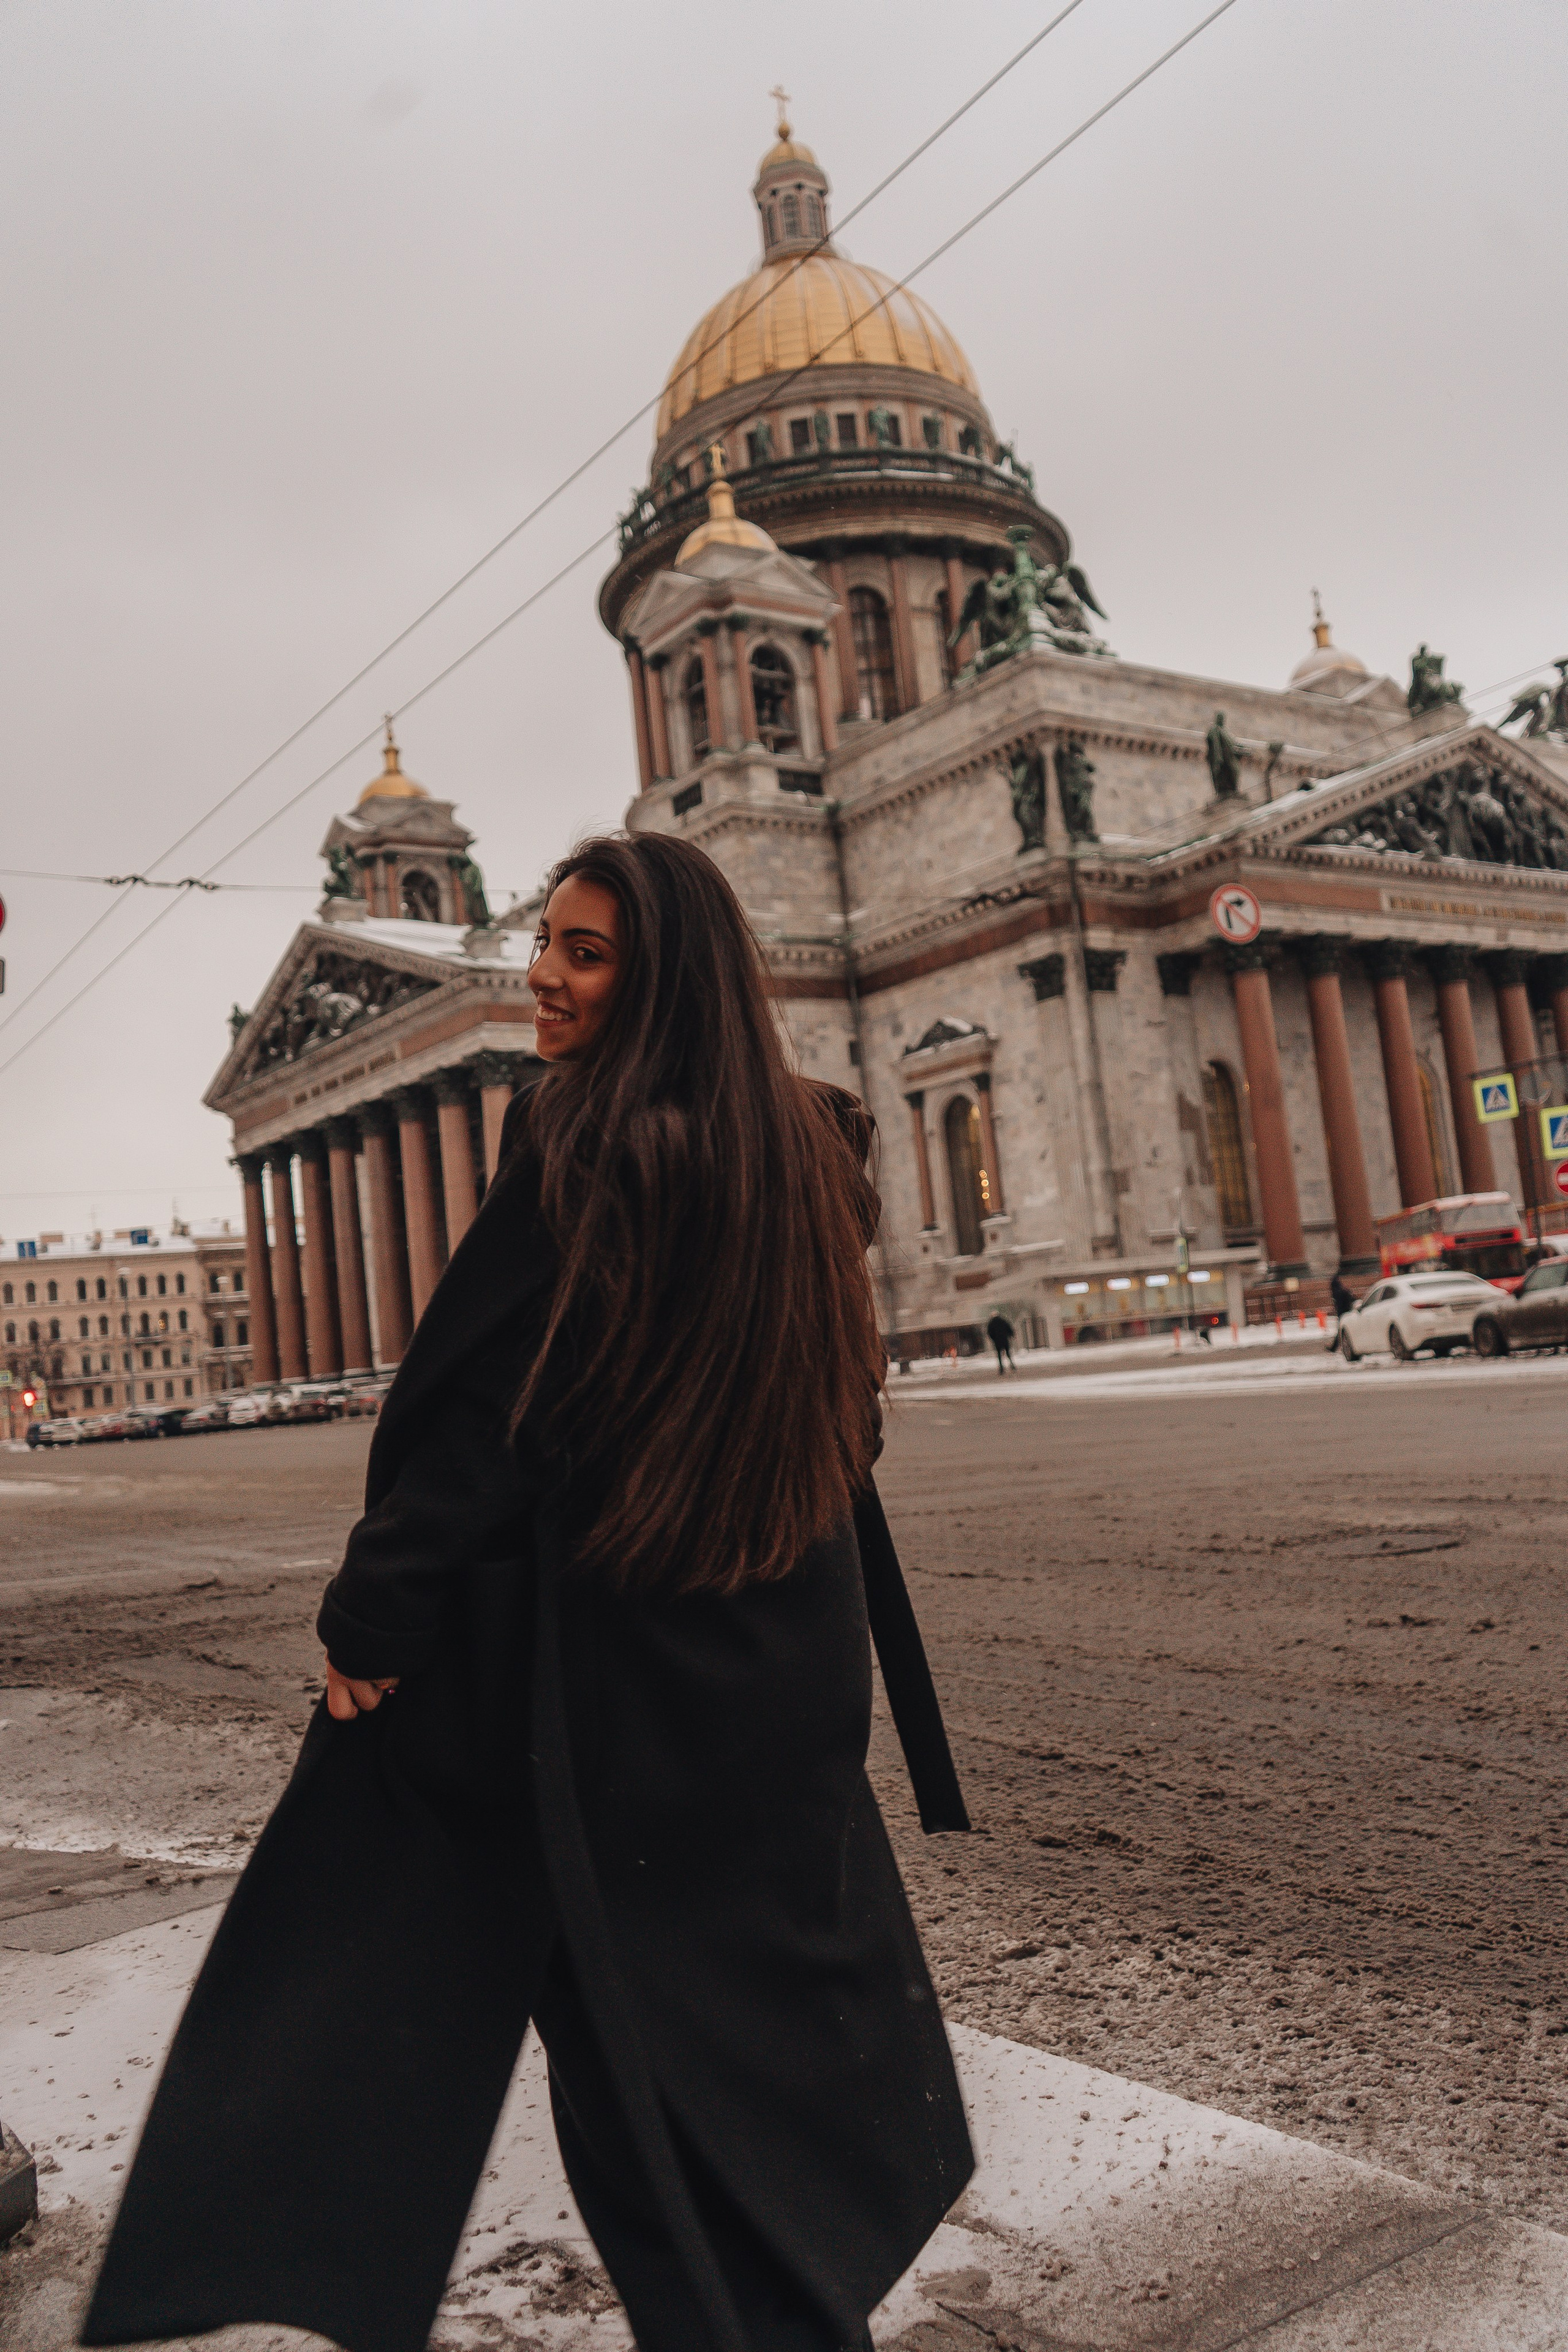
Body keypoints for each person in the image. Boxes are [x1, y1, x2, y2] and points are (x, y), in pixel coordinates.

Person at [84, 834, 972, 2352]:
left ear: (661, 975)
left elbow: (497, 1412)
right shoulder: (806, 1142)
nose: (544, 980)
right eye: (545, 945)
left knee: (634, 2076)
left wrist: (374, 1617)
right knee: (767, 2041)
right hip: (779, 1676)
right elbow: (848, 1404)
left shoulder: (586, 1142)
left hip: (626, 1692)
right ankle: (810, 2286)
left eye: (584, 953)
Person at [1329, 1269, 1355, 1348]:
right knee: (1343, 1329)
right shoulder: (1343, 1291)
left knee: (1342, 1329)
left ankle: (1335, 1347)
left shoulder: (1338, 1293)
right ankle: (1335, 1347)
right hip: (1347, 1311)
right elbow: (1352, 1299)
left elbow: (1340, 1304)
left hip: (1343, 1312)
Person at [985, 1310, 1016, 1374]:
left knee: (999, 1354)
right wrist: (1011, 1335)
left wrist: (993, 1339)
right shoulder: (1003, 1321)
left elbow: (990, 1332)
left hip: (997, 1341)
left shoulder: (991, 1323)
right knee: (1008, 1352)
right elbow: (1009, 1328)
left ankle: (1001, 1368)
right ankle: (1012, 1364)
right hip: (1005, 1339)